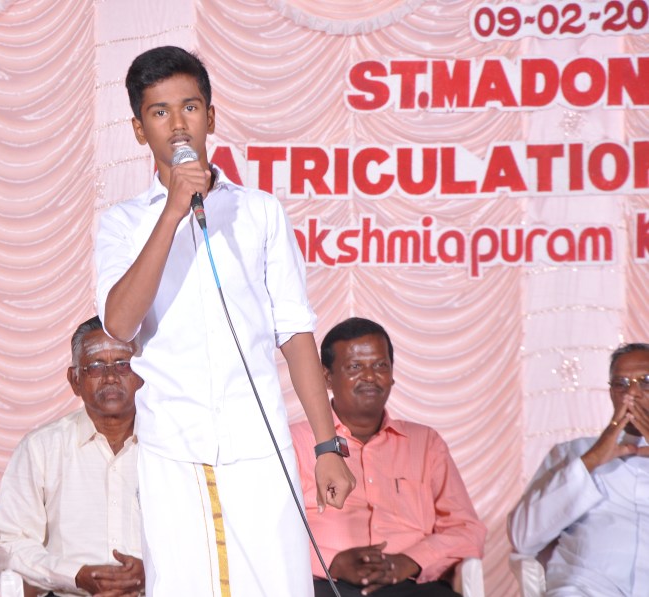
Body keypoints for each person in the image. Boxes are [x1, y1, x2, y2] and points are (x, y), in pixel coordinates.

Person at [93, 46, 354, 596]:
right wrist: (172, 211)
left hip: (259, 446)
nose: (177, 123)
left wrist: (327, 446)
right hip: (173, 449)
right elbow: (119, 324)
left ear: (210, 117)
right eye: (159, 112)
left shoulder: (259, 212)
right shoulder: (122, 224)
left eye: (189, 107)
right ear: (139, 130)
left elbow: (294, 333)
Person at [291, 317, 486, 597]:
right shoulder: (296, 442)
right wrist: (331, 562)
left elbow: (466, 528)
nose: (370, 376)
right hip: (324, 584)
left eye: (380, 365)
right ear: (327, 377)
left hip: (409, 585)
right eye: (355, 367)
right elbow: (266, 529)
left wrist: (409, 561)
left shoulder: (425, 443)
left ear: (393, 374)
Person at [0, 316, 145, 597]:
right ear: (75, 380)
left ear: (142, 375)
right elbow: (7, 544)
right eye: (96, 367)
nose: (110, 377)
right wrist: (76, 575)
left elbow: (199, 536)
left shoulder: (169, 449)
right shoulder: (42, 448)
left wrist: (152, 572)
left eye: (123, 364)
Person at [507, 342, 649, 596]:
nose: (633, 393)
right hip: (585, 589)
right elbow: (523, 537)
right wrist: (592, 460)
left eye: (646, 381)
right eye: (622, 384)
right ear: (611, 393)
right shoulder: (574, 452)